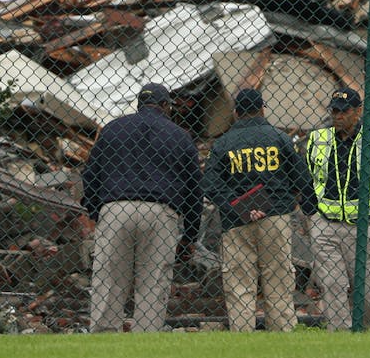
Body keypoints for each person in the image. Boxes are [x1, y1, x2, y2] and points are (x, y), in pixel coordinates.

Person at [81, 82, 202, 332]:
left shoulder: (113, 129)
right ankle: (145, 340)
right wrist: (189, 234)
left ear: (138, 104)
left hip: (116, 207)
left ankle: (104, 339)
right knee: (153, 283)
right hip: (161, 211)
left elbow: (90, 175)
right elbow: (193, 190)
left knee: (109, 280)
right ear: (166, 106)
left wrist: (96, 212)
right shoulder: (179, 135)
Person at [203, 88, 313, 332]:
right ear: (263, 109)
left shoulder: (223, 143)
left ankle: (243, 336)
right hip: (275, 218)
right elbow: (302, 179)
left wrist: (239, 205)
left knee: (240, 282)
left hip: (236, 221)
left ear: (235, 112)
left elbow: (209, 184)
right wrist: (279, 204)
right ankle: (283, 336)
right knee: (279, 281)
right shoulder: (279, 138)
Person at [302, 86, 370, 331]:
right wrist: (311, 211)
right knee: (333, 286)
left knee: (366, 291)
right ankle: (341, 339)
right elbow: (304, 179)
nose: (338, 116)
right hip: (326, 224)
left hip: (364, 226)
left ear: (358, 111)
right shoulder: (318, 139)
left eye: (344, 111)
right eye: (334, 111)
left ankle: (367, 334)